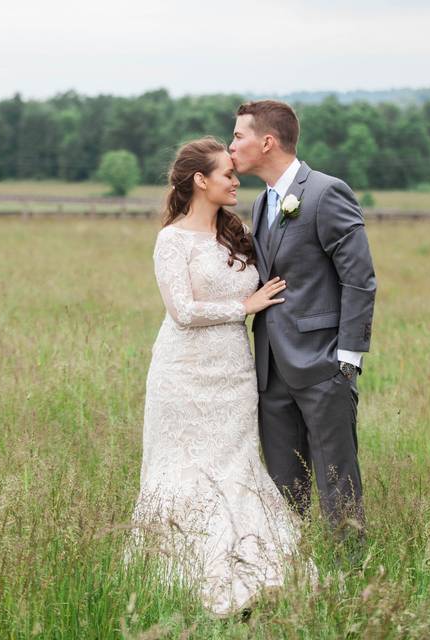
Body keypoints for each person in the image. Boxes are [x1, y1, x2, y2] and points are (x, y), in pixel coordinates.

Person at [129, 137, 315, 617]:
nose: (237, 181)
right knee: (185, 466)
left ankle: (262, 570)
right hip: (183, 372)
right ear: (200, 180)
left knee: (236, 462)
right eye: (228, 175)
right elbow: (183, 311)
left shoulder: (238, 233)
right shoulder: (172, 240)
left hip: (233, 370)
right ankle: (186, 572)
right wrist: (244, 306)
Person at [229, 100, 377, 544]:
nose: (231, 145)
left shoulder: (326, 192)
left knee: (337, 480)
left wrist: (346, 359)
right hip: (271, 369)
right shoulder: (259, 204)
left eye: (238, 136)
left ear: (267, 141)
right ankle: (292, 571)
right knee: (282, 487)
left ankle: (349, 574)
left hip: (322, 365)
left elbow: (360, 279)